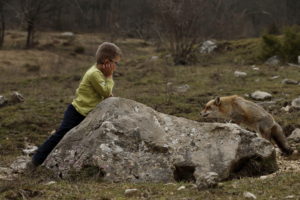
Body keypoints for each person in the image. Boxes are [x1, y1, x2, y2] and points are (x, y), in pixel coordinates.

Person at [29, 42, 122, 168]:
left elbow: (105, 92)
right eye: (116, 63)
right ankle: (37, 159)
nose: (116, 66)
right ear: (107, 61)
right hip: (77, 112)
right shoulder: (95, 73)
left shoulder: (100, 74)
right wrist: (110, 76)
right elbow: (106, 92)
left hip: (86, 112)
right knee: (61, 135)